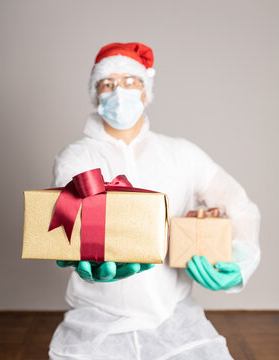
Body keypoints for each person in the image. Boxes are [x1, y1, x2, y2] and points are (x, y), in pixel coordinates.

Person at [48, 42, 261, 360]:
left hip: (174, 319)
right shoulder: (77, 157)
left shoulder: (182, 154)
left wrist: (240, 261)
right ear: (96, 96)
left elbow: (237, 205)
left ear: (146, 92)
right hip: (95, 321)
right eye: (108, 84)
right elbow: (70, 223)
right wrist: (85, 260)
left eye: (130, 82)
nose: (119, 92)